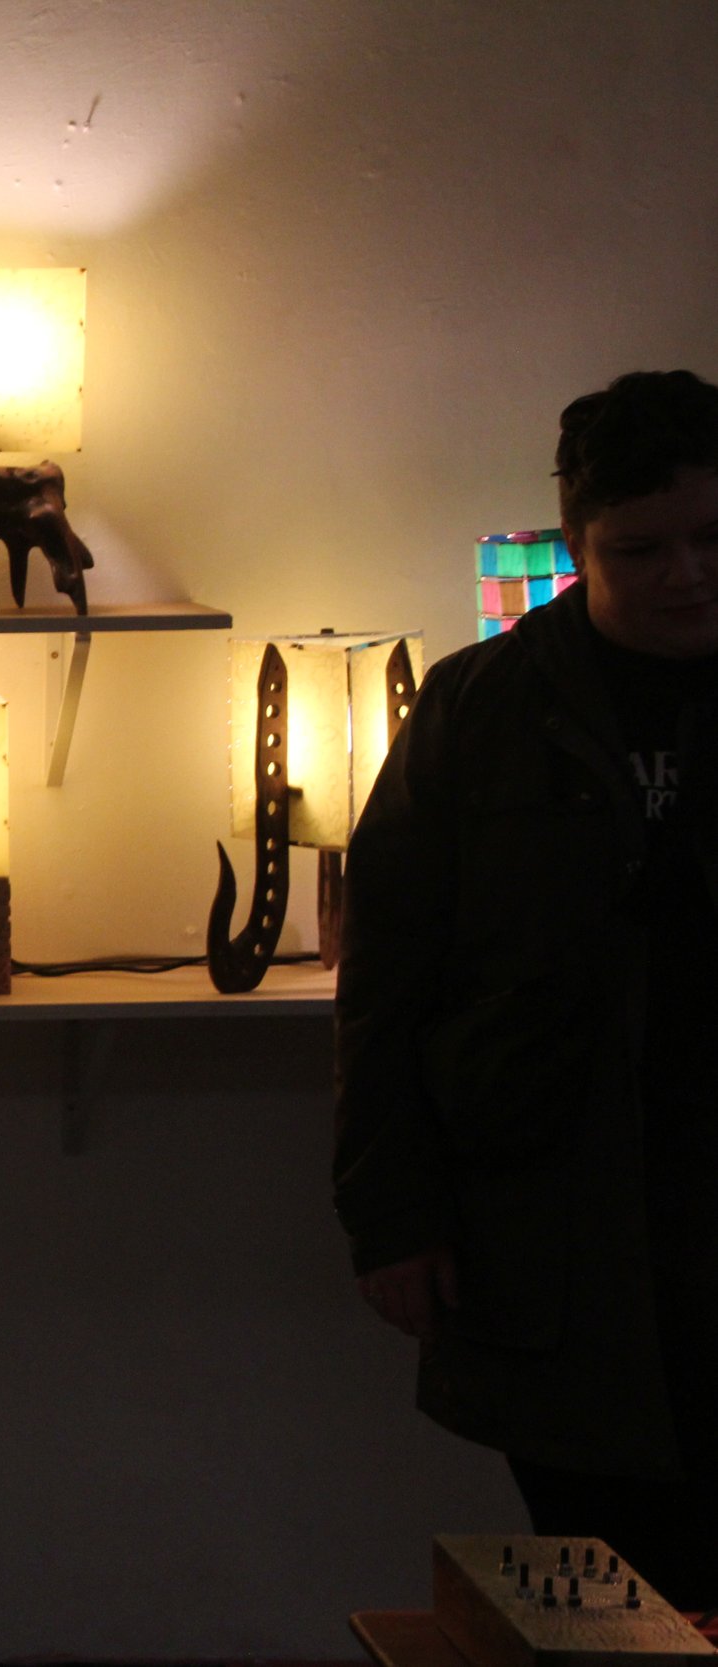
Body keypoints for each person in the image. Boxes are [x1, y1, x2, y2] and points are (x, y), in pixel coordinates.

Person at [336, 369, 718, 1602]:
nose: (685, 574)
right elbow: (387, 982)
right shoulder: (479, 707)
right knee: (607, 1586)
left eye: (711, 539)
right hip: (550, 1216)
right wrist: (393, 1219)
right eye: (641, 549)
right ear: (578, 544)